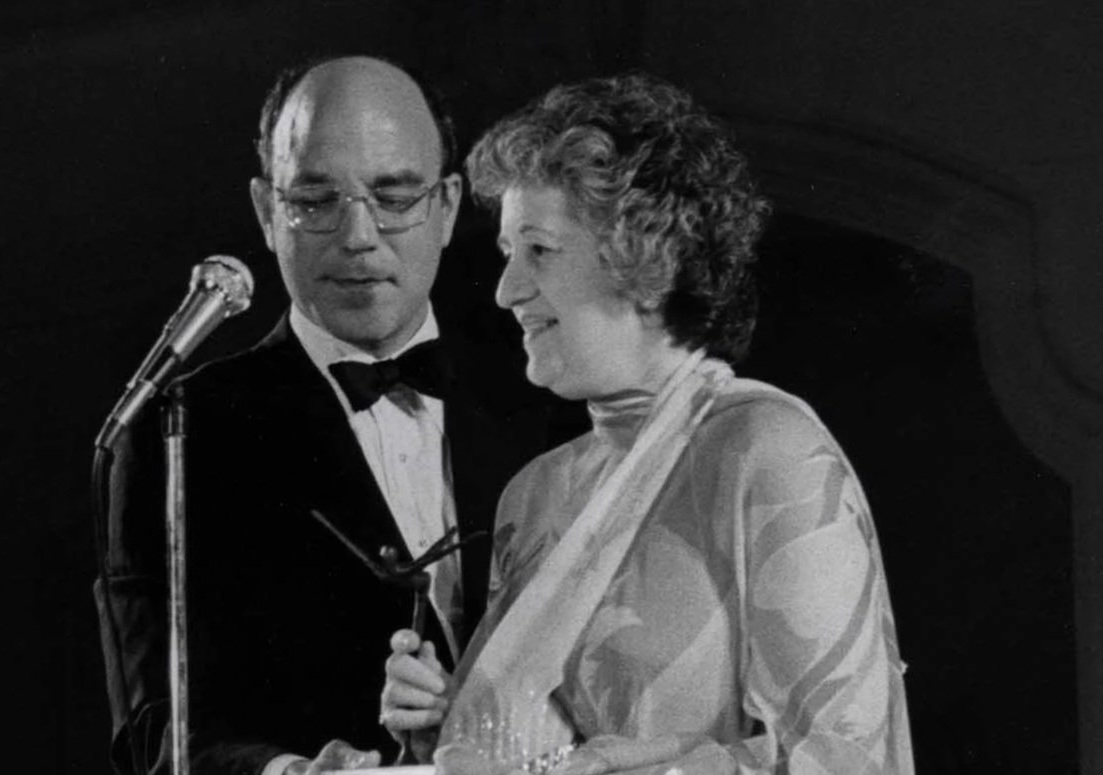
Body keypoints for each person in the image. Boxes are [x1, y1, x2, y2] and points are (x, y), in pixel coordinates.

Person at [381, 73, 915, 773]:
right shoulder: (531, 494)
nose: (508, 290)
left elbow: (852, 762)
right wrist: (448, 735)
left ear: (646, 255)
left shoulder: (768, 449)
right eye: (507, 253)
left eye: (538, 250)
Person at [95, 56, 568, 775]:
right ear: (264, 209)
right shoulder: (179, 431)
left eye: (393, 196)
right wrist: (289, 772)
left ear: (445, 206)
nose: (356, 236)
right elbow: (156, 732)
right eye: (314, 200)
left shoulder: (546, 391)